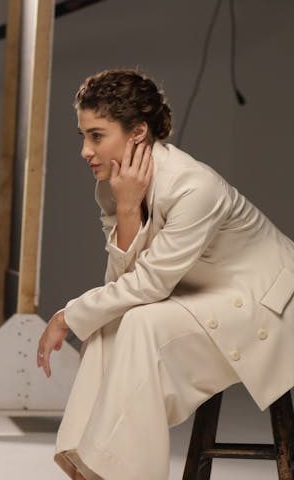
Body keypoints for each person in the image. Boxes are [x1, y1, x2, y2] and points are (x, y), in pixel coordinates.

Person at [36, 69, 294, 480]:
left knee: (138, 321)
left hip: (266, 304)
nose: (85, 150)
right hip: (204, 295)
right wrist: (126, 207)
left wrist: (67, 316)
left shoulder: (194, 187)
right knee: (112, 325)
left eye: (97, 136)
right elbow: (119, 287)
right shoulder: (113, 186)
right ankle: (88, 468)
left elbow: (150, 285)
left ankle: (118, 473)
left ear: (137, 133)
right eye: (83, 136)